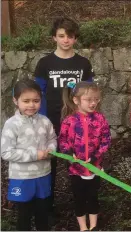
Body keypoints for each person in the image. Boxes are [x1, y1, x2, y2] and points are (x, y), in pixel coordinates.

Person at [34, 17, 95, 215]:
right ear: (54, 37)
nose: (66, 40)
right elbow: (38, 94)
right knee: (48, 165)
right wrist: (42, 122)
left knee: (78, 163)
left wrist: (87, 119)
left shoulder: (83, 63)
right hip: (51, 122)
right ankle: (47, 206)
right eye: (61, 36)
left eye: (70, 36)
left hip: (77, 124)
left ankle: (82, 206)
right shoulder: (45, 63)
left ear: (75, 39)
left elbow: (89, 93)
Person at [1, 79, 57, 231]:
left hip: (43, 175)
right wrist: (35, 155)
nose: (31, 105)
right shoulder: (12, 124)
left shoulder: (45, 121)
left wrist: (51, 149)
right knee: (24, 216)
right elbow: (6, 152)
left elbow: (52, 139)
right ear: (15, 100)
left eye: (36, 101)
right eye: (26, 101)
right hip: (22, 178)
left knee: (42, 214)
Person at [58, 81, 110, 231]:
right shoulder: (69, 121)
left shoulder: (100, 119)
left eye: (96, 99)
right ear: (76, 100)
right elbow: (62, 140)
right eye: (88, 100)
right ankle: (83, 227)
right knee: (79, 198)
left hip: (95, 168)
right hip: (76, 170)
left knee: (93, 197)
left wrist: (96, 156)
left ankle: (93, 226)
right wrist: (68, 153)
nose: (93, 103)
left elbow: (106, 140)